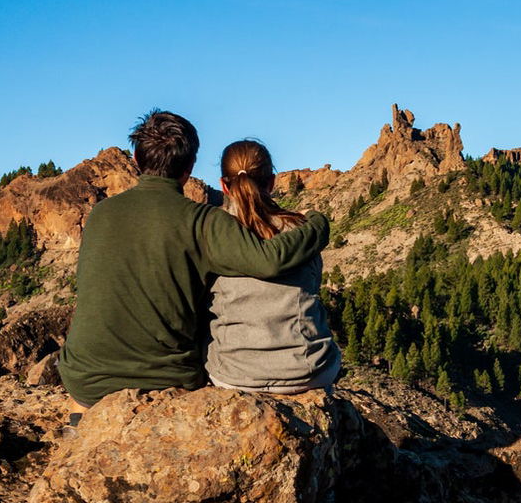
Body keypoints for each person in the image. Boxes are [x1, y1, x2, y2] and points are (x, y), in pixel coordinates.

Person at [58, 111, 329, 412]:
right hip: (165, 379)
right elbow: (268, 260)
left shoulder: (100, 214)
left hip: (83, 379)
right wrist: (317, 225)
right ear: (190, 167)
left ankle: (82, 428)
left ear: (136, 159)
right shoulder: (203, 221)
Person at [204, 140, 341, 393]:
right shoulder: (300, 230)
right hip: (309, 372)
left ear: (223, 185)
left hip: (234, 375)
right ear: (271, 182)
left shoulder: (211, 234)